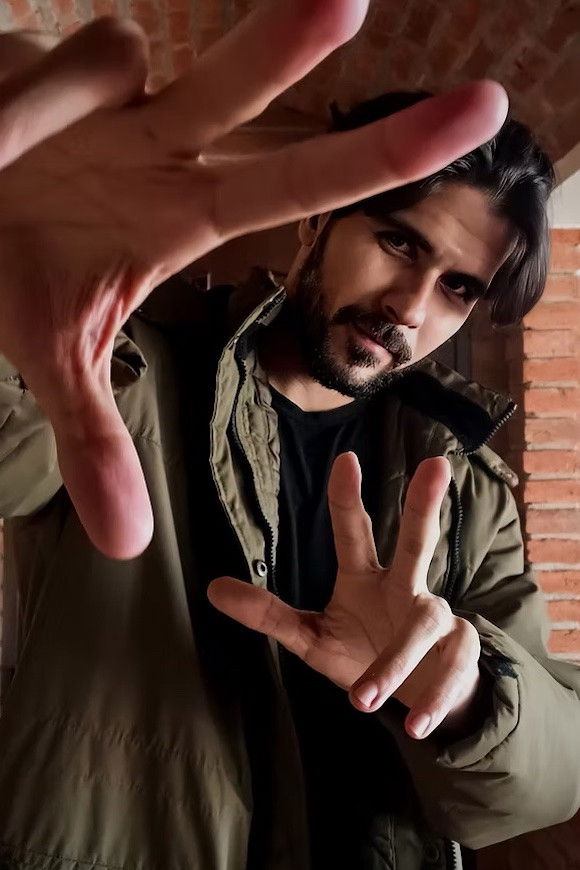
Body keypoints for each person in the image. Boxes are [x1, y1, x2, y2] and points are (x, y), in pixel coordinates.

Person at [0, 4, 578, 870]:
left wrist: (466, 697)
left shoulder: (464, 484)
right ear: (318, 219)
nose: (410, 308)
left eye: (458, 288)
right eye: (398, 241)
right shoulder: (124, 376)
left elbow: (552, 776)